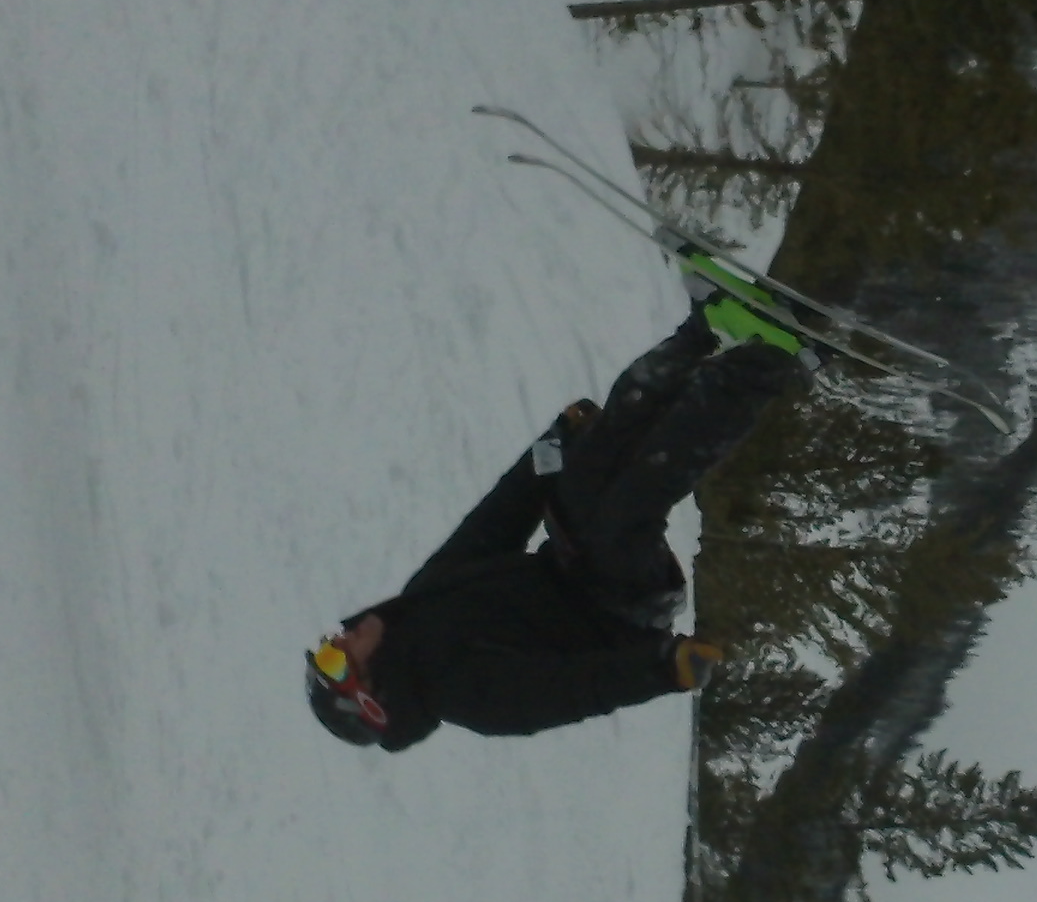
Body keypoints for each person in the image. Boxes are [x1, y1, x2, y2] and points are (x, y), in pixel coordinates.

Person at [306, 309, 805, 748]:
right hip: (620, 608)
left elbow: (493, 523)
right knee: (628, 505)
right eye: (336, 662)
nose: (341, 640)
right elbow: (576, 689)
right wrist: (662, 668)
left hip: (571, 561)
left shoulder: (417, 607)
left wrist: (556, 444)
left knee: (593, 461)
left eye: (327, 647)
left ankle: (702, 332)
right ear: (368, 696)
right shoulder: (468, 699)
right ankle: (771, 362)